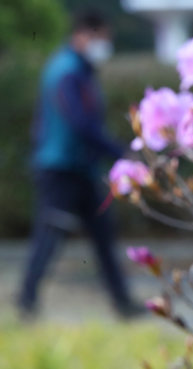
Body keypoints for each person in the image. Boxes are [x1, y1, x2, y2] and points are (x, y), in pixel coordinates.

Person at [18, 9, 140, 317]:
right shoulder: (67, 71)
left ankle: (123, 303)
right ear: (85, 35)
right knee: (50, 236)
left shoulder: (75, 69)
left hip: (79, 167)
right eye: (102, 39)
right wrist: (118, 150)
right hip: (61, 168)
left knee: (101, 234)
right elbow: (80, 123)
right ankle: (26, 299)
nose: (104, 46)